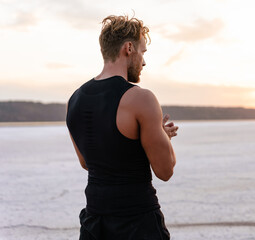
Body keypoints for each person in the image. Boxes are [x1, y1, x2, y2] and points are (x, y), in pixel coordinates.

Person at [66, 14, 178, 240]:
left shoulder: (74, 100)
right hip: (137, 224)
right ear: (129, 48)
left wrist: (146, 138)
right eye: (143, 52)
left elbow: (88, 162)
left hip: (94, 225)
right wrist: (160, 138)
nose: (144, 61)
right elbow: (165, 171)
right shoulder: (140, 98)